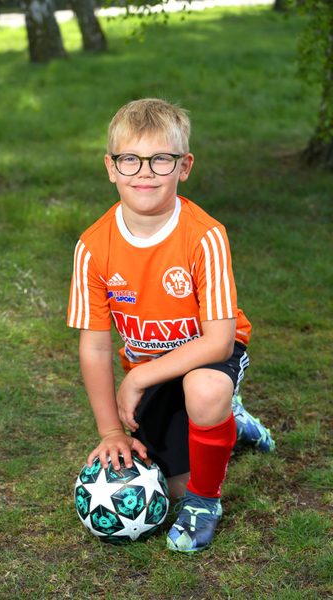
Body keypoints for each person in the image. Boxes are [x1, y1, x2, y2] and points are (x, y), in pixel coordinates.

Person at [68, 98, 274, 553]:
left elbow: (219, 342)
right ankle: (232, 423)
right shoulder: (93, 247)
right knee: (169, 485)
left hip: (207, 357)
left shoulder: (205, 236)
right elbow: (95, 347)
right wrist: (111, 432)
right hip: (156, 369)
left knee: (205, 391)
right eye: (130, 159)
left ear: (184, 166)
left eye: (161, 159)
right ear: (111, 167)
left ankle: (204, 502)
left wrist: (137, 378)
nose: (145, 172)